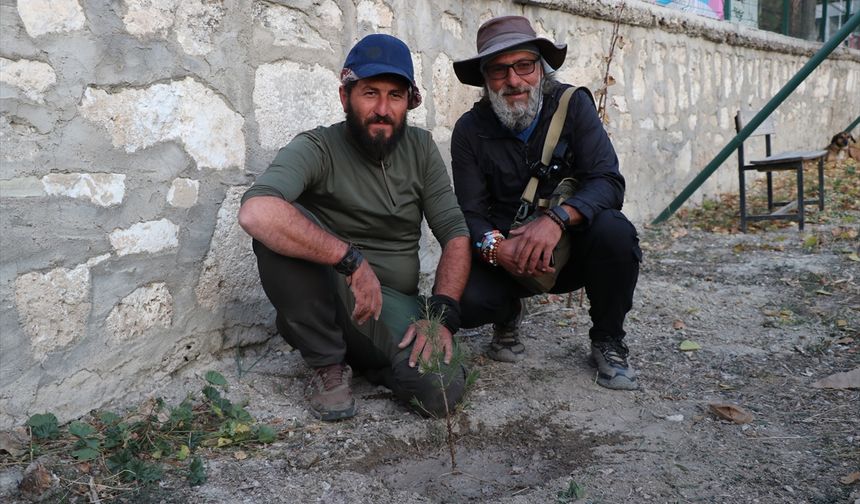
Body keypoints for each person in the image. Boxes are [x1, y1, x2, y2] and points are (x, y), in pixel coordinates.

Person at [239, 34, 471, 421]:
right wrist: (349, 259)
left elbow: (455, 233)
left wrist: (442, 314)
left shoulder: (421, 148)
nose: (383, 108)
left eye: (395, 96)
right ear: (346, 96)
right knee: (281, 221)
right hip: (335, 289)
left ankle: (371, 362)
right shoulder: (318, 147)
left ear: (408, 102)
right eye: (370, 93)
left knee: (440, 393)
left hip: (393, 303)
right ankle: (327, 364)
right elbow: (256, 212)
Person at [450, 16, 642, 390]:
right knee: (465, 300)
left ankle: (607, 339)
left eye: (524, 65)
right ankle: (507, 314)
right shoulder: (469, 131)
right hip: (509, 263)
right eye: (499, 71)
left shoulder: (573, 106)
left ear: (541, 68)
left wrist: (555, 220)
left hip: (572, 253)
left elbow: (608, 181)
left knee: (616, 233)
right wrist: (497, 250)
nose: (513, 81)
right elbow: (469, 213)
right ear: (485, 79)